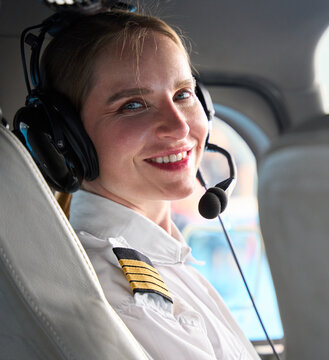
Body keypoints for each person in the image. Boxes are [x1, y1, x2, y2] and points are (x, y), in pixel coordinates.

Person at [40, 9, 260, 360]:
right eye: (133, 105)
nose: (180, 128)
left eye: (183, 94)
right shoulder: (127, 297)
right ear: (68, 137)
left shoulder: (160, 257)